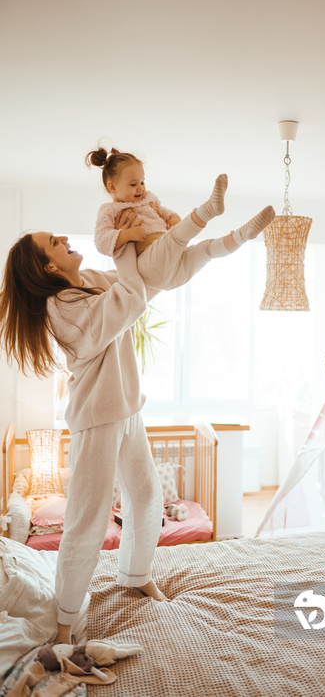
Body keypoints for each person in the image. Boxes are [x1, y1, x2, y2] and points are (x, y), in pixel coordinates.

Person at [0, 211, 168, 645]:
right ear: (49, 268)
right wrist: (122, 240)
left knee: (147, 495)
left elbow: (140, 279)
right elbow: (131, 298)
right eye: (51, 242)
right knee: (87, 519)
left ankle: (135, 574)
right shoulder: (63, 308)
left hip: (127, 408)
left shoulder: (90, 279)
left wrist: (143, 237)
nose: (62, 237)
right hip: (97, 418)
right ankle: (65, 618)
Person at [86, 146, 275, 290]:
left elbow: (164, 212)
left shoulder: (149, 198)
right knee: (176, 237)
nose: (140, 188)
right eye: (133, 184)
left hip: (174, 271)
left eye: (143, 182)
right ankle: (209, 209)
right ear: (112, 187)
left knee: (206, 250)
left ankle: (242, 236)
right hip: (150, 267)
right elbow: (101, 242)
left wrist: (174, 217)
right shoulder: (109, 210)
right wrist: (127, 235)